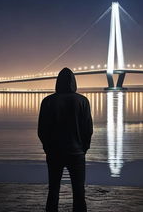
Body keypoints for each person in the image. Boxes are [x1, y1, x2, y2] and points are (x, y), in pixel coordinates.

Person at [38, 67, 93, 212]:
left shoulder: (48, 101)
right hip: (76, 153)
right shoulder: (83, 101)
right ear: (74, 82)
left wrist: (47, 147)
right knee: (79, 193)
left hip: (54, 153)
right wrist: (83, 148)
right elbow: (88, 129)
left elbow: (42, 130)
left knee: (53, 191)